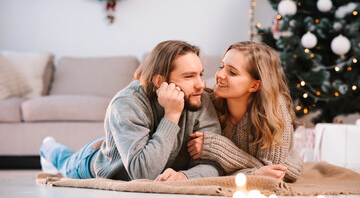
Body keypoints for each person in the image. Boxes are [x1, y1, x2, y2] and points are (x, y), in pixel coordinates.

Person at [40, 40, 223, 181]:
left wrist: (186, 177)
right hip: (101, 161)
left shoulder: (198, 97)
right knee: (64, 162)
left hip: (128, 141)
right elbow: (143, 173)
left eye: (200, 74)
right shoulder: (127, 102)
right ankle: (47, 148)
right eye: (189, 76)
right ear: (159, 81)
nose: (200, 84)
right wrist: (172, 115)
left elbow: (213, 162)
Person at [187, 41, 303, 182]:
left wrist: (218, 147)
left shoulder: (274, 111)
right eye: (221, 66)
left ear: (255, 85)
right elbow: (213, 171)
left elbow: (271, 175)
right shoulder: (209, 101)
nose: (219, 75)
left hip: (286, 168)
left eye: (232, 72)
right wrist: (253, 173)